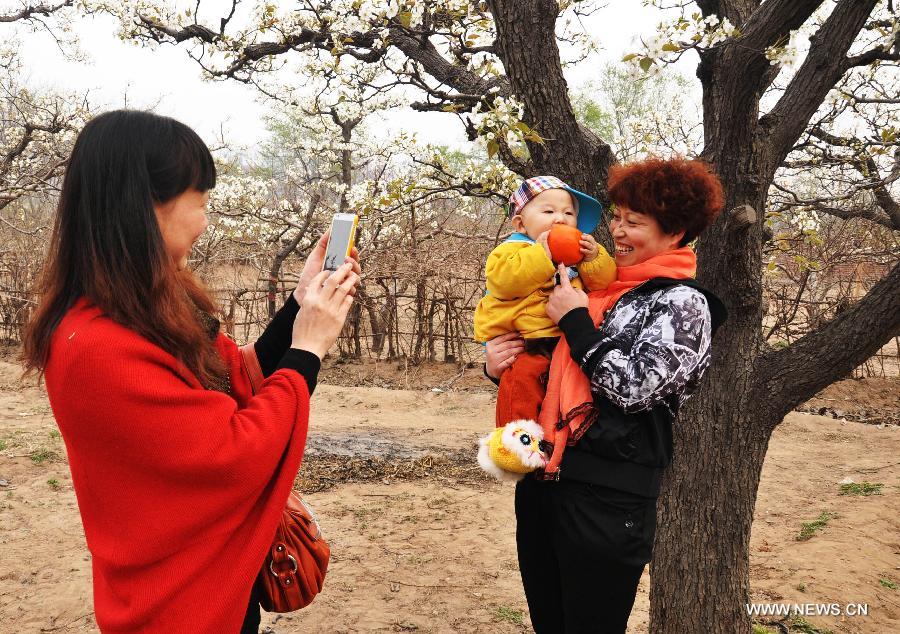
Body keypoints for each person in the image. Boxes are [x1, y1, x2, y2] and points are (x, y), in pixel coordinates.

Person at [21, 110, 360, 633]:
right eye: (199, 201)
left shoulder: (139, 311)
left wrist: (298, 305)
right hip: (175, 605)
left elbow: (235, 375)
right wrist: (308, 349)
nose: (205, 220)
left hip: (202, 581)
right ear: (145, 209)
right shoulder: (96, 346)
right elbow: (231, 455)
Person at [485, 158, 728, 633]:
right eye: (616, 217)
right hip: (544, 485)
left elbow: (636, 388)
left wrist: (575, 321)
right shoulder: (594, 285)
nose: (617, 230)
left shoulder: (681, 303)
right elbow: (555, 369)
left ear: (675, 231)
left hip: (608, 502)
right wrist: (499, 365)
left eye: (633, 222)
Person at [474, 176, 616, 428]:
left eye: (568, 213)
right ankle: (516, 442)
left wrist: (593, 257)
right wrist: (542, 255)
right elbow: (504, 282)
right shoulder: (512, 250)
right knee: (521, 388)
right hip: (527, 343)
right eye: (548, 211)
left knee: (564, 397)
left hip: (564, 344)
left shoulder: (575, 256)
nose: (560, 218)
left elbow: (604, 283)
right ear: (521, 224)